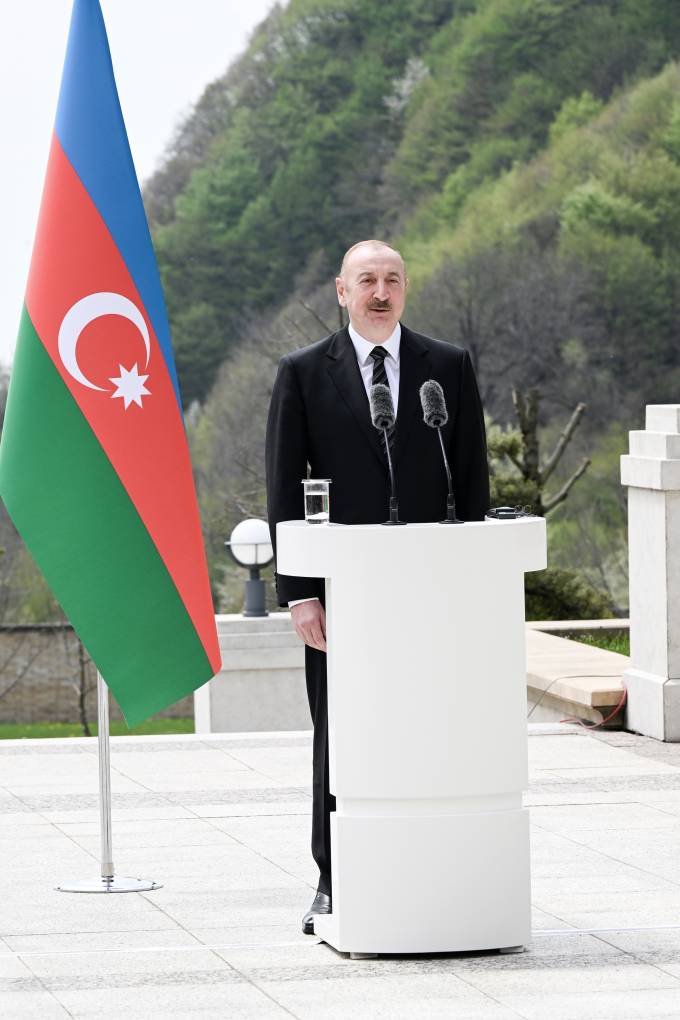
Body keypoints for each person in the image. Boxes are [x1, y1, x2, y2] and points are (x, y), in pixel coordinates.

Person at [265, 239, 490, 934]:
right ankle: (334, 878)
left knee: (434, 723)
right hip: (343, 598)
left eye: (393, 279)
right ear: (343, 291)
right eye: (367, 280)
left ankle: (434, 867)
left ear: (406, 287)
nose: (381, 292)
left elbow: (472, 477)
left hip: (432, 593)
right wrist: (300, 591)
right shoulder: (304, 372)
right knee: (339, 734)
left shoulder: (447, 367)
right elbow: (283, 485)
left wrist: (474, 578)